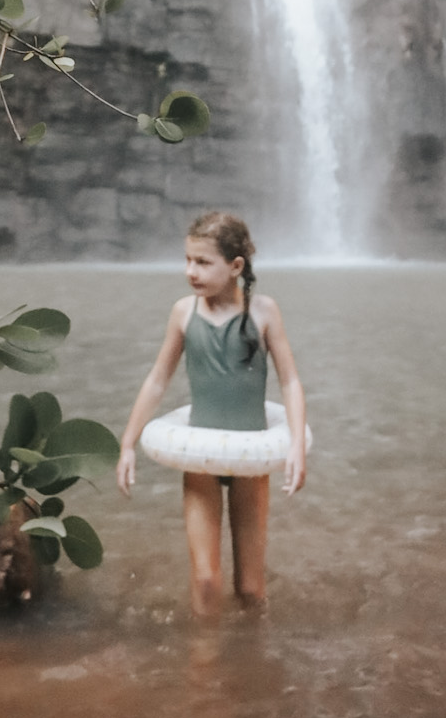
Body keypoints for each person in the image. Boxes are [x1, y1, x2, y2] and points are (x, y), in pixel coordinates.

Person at [117, 209, 307, 614]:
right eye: (187, 260)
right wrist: (128, 443)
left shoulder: (265, 312)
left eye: (202, 262)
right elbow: (157, 379)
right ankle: (205, 668)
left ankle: (250, 666)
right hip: (200, 458)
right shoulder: (184, 313)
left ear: (235, 266)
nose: (191, 271)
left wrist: (296, 447)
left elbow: (290, 381)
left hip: (251, 457)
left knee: (251, 589)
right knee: (205, 581)